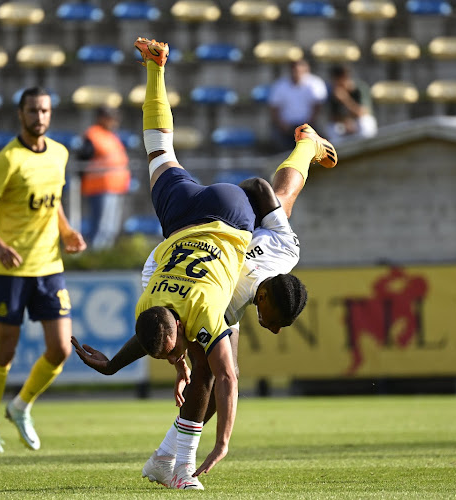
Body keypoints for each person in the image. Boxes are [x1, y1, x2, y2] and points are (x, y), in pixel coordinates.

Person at [72, 36, 337, 490]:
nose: (272, 330)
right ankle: (169, 462)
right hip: (187, 234)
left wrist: (179, 370)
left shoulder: (280, 254)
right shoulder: (195, 296)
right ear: (269, 296)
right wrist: (172, 366)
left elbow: (177, 335)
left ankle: (304, 146)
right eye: (277, 323)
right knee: (159, 151)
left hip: (204, 227)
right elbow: (181, 340)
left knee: (280, 200)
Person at [0, 86, 87, 453]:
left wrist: (66, 230)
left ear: (50, 114)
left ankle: (20, 407)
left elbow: (53, 203)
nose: (39, 117)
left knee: (61, 350)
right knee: (5, 351)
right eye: (33, 111)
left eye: (45, 111)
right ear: (20, 114)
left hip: (49, 267)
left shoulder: (60, 153)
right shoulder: (8, 160)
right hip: (11, 270)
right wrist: (0, 247)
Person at [77, 106, 131, 250]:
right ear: (101, 118)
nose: (114, 121)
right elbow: (82, 160)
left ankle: (105, 256)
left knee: (110, 228)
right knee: (101, 228)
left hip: (115, 188)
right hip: (100, 188)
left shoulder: (111, 136)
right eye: (110, 117)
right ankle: (96, 258)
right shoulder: (93, 135)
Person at [268, 59, 328, 152]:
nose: (296, 73)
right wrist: (282, 125)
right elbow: (274, 108)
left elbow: (318, 106)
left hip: (309, 126)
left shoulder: (315, 83)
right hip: (286, 128)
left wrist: (308, 125)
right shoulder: (280, 85)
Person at [326, 65, 377, 144]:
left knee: (366, 123)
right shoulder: (332, 91)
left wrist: (345, 99)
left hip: (357, 122)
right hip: (343, 124)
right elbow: (332, 117)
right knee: (332, 129)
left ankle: (368, 146)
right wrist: (346, 121)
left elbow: (362, 112)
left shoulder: (359, 89)